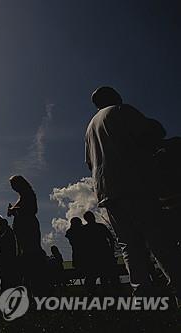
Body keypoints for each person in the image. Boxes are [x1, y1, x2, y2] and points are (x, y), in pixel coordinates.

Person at [85, 86, 181, 297]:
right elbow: (154, 133)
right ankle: (177, 282)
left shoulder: (90, 127)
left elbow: (89, 162)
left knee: (129, 244)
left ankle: (141, 292)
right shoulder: (120, 110)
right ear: (112, 97)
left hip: (106, 191)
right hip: (133, 183)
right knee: (157, 237)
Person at [8, 175, 47, 295]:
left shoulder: (28, 194)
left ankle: (37, 287)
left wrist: (15, 210)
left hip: (28, 228)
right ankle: (30, 287)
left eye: (14, 184)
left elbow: (32, 210)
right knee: (24, 255)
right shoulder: (22, 196)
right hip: (22, 229)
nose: (13, 187)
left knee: (31, 253)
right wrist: (13, 210)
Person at [82, 211, 118, 294]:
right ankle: (109, 292)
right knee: (105, 275)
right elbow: (111, 238)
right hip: (102, 254)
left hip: (97, 255)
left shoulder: (86, 229)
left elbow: (111, 239)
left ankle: (101, 293)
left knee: (102, 275)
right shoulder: (100, 226)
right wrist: (111, 250)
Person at [0, 216, 21, 291]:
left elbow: (0, 243)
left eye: (0, 225)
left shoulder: (7, 233)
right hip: (7, 259)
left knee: (7, 279)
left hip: (8, 260)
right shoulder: (8, 232)